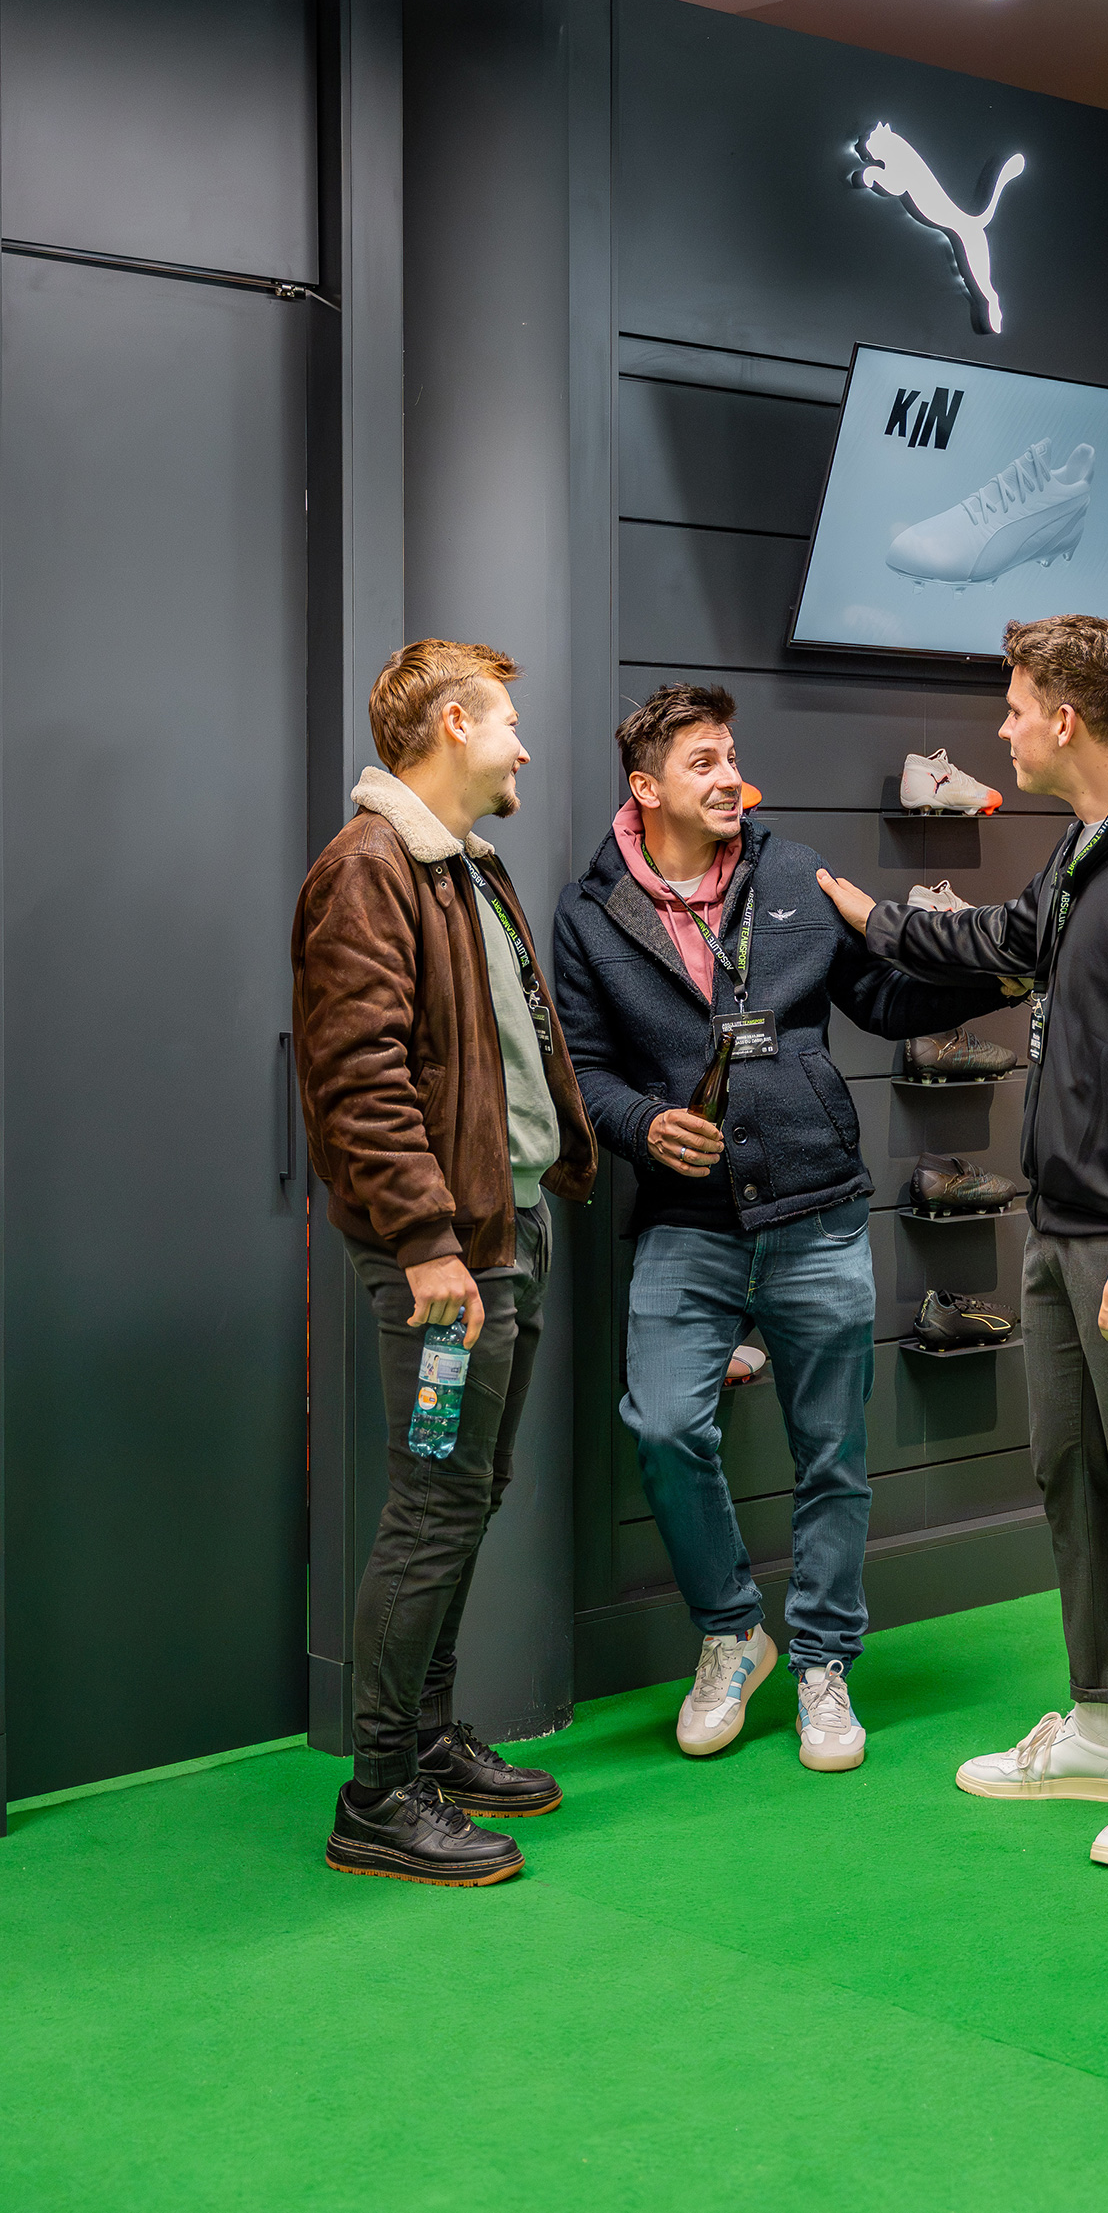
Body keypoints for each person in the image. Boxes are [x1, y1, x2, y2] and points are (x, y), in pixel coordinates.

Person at [817, 615, 1108, 1870]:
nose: (1003, 728)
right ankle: (1107, 1728)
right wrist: (875, 920)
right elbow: (1005, 943)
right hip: (1065, 1225)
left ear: (1065, 718)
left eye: (1015, 707)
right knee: (1077, 1478)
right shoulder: (1088, 846)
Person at [552, 683, 1001, 1771]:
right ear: (645, 786)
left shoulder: (793, 873)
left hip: (818, 1211)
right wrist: (641, 1125)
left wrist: (997, 971)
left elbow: (883, 1002)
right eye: (702, 762)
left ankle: (824, 1664)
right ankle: (729, 1635)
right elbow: (585, 1069)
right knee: (665, 1426)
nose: (728, 778)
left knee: (832, 1456)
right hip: (686, 1221)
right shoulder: (588, 911)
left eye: (731, 756)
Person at [292, 639, 596, 1885]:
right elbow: (358, 1080)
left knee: (463, 1493)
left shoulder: (463, 865)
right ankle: (378, 1793)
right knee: (433, 1502)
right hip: (448, 1261)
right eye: (507, 722)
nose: (525, 746)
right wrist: (426, 1246)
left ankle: (422, 1738)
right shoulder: (368, 869)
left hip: (502, 1234)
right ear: (455, 725)